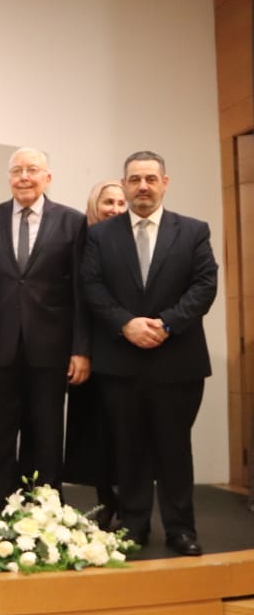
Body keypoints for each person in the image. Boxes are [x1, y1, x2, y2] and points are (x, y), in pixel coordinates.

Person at [81, 152, 216, 556]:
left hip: (177, 360)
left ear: (164, 183)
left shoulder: (192, 231)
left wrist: (166, 324)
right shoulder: (100, 236)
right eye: (135, 179)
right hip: (121, 360)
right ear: (124, 184)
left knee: (175, 448)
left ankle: (181, 530)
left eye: (151, 179)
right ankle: (134, 526)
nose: (143, 186)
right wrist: (126, 324)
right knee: (129, 448)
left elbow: (204, 285)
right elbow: (92, 286)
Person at [0, 147, 90, 510]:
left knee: (46, 432)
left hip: (51, 347)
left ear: (47, 177)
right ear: (9, 177)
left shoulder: (72, 221)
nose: (24, 177)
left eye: (32, 170)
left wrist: (81, 349)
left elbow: (81, 290)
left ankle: (46, 506)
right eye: (17, 170)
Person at [64, 180, 127, 526]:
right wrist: (80, 350)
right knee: (95, 433)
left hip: (127, 350)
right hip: (90, 350)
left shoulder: (134, 239)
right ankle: (106, 499)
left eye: (120, 202)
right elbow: (77, 298)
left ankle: (128, 503)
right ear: (94, 205)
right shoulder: (82, 239)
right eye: (108, 202)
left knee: (125, 431)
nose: (114, 209)